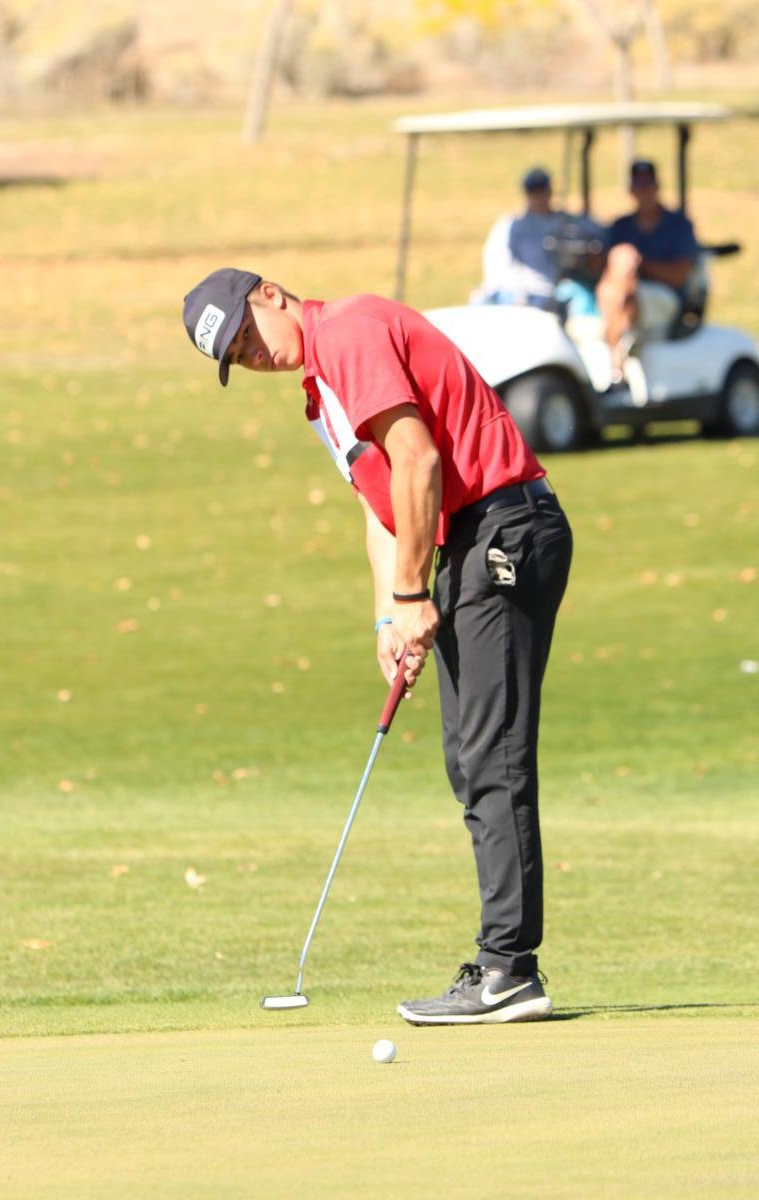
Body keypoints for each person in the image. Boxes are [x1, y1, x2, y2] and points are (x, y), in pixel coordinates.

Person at [182, 269, 573, 1025]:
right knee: (469, 758)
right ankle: (504, 964)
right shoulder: (318, 396)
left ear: (270, 295)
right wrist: (388, 617)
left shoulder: (349, 332)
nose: (251, 355)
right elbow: (384, 505)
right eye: (234, 355)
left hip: (504, 528)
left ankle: (508, 971)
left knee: (491, 755)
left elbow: (420, 461)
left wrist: (412, 592)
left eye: (245, 334)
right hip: (468, 542)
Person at [596, 159, 698, 381]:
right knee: (615, 277)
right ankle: (619, 353)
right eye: (638, 184)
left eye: (648, 183)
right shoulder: (621, 226)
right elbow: (602, 265)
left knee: (621, 272)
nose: (644, 190)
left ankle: (615, 360)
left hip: (664, 296)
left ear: (656, 185)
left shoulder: (678, 225)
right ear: (631, 189)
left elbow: (679, 276)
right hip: (620, 294)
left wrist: (639, 265)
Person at [478, 166, 602, 314]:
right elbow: (495, 267)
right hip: (513, 295)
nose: (538, 196)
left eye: (541, 189)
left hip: (550, 293)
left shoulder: (565, 221)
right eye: (533, 191)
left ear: (549, 190)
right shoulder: (509, 224)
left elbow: (599, 233)